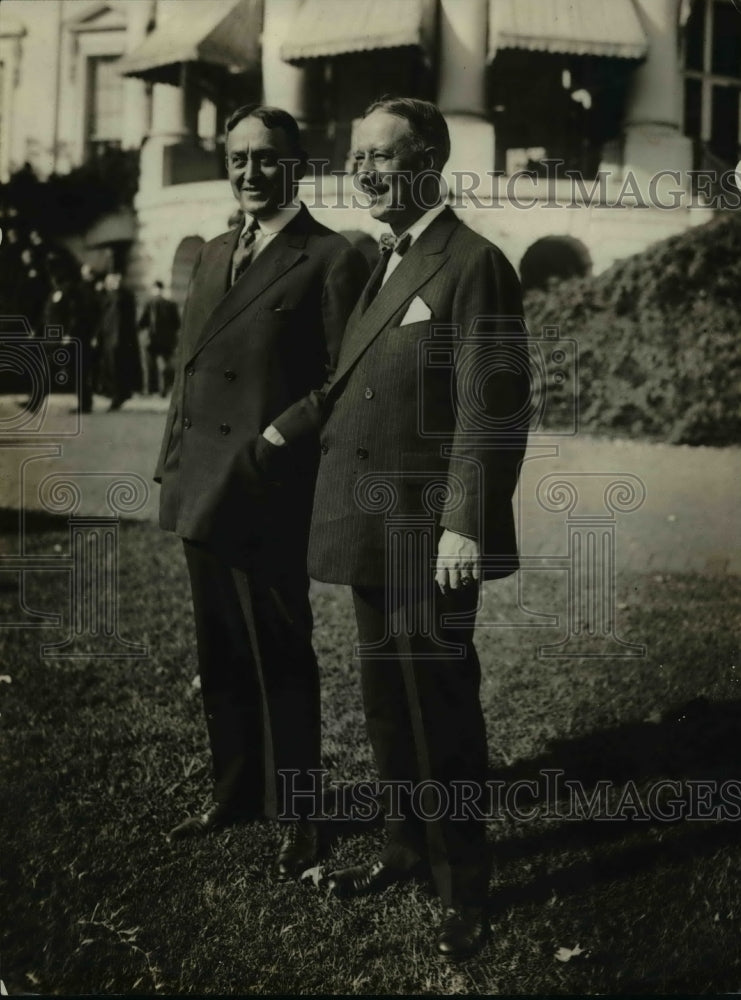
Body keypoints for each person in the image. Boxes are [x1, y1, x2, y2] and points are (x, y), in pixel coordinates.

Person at [273, 97, 530, 959]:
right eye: (355, 159)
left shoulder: (473, 262)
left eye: (378, 157)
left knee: (440, 711)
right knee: (387, 703)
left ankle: (465, 886)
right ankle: (402, 848)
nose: (362, 173)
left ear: (426, 161)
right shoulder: (382, 262)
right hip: (373, 529)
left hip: (430, 535)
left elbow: (487, 408)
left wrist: (467, 524)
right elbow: (350, 386)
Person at [153, 104, 368, 878]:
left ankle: (302, 813)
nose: (251, 172)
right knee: (220, 649)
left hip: (267, 485)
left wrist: (276, 439)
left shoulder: (330, 255)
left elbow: (342, 379)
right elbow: (186, 368)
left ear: (297, 165)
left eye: (266, 159)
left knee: (279, 651)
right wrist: (169, 466)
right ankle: (234, 789)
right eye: (239, 158)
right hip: (200, 485)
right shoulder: (213, 252)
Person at [97, 271, 140, 411]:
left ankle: (117, 397)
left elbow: (115, 320)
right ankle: (119, 395)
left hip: (115, 338)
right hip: (116, 338)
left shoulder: (117, 297)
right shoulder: (121, 296)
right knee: (115, 368)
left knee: (115, 368)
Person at [137, 281, 180, 397]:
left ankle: (149, 390)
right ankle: (163, 390)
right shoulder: (171, 304)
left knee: (149, 366)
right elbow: (177, 324)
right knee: (164, 366)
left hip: (151, 340)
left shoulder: (149, 303)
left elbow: (142, 322)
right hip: (167, 341)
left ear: (154, 289)